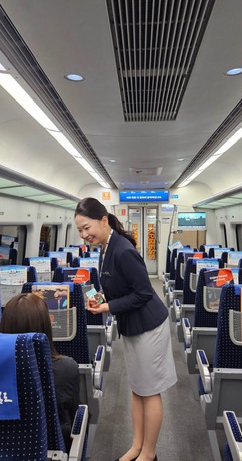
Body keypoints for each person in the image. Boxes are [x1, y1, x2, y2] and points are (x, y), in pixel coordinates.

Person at [75, 197, 176, 461]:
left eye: (87, 227)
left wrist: (108, 307)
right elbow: (118, 286)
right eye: (80, 231)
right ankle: (137, 445)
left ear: (104, 220)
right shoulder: (106, 247)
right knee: (137, 388)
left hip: (149, 326)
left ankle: (149, 453)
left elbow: (144, 293)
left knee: (150, 390)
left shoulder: (123, 250)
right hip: (132, 325)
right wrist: (100, 299)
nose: (85, 235)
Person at [0, 292, 82, 452]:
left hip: (4, 450)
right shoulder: (66, 368)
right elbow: (74, 413)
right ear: (45, 327)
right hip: (53, 449)